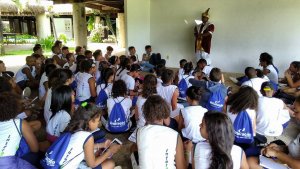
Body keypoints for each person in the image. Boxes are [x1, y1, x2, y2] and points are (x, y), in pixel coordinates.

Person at [59, 103, 121, 169]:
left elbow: (82, 147)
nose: (99, 123)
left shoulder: (73, 127)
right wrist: (110, 151)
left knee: (97, 154)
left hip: (60, 165)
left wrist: (102, 145)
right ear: (90, 121)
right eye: (98, 121)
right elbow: (92, 164)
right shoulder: (87, 136)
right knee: (110, 163)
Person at [248, 95, 300, 169]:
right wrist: (281, 148)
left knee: (251, 162)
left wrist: (277, 153)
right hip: (290, 157)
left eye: (296, 111)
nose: (294, 114)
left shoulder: (259, 99)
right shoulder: (279, 102)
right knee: (250, 152)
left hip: (293, 165)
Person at [137, 95, 186, 169]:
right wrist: (188, 152)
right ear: (165, 113)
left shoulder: (139, 132)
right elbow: (181, 167)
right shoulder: (175, 135)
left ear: (145, 113)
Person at [0, 92, 39, 169]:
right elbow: (35, 149)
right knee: (35, 154)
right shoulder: (19, 122)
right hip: (7, 163)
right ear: (15, 108)